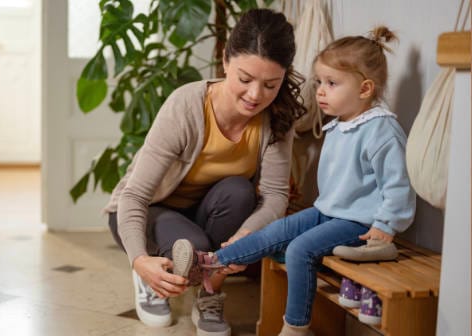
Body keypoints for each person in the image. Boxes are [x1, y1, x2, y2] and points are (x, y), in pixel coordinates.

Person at [172, 26, 416, 336]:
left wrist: (385, 226)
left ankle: (295, 328)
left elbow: (397, 185)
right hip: (328, 211)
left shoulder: (380, 129)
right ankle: (210, 263)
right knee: (275, 231)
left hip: (360, 222)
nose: (320, 92)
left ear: (365, 89)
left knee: (299, 249)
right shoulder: (341, 124)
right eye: (319, 82)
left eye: (331, 83)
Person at [103, 8, 306, 336]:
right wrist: (138, 260)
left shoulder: (278, 116)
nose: (256, 96)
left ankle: (209, 292)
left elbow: (274, 196)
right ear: (226, 61)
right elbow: (136, 195)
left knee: (240, 192)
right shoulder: (186, 106)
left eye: (271, 84)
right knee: (193, 242)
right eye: (245, 79)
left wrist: (245, 236)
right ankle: (152, 274)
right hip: (148, 209)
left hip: (205, 212)